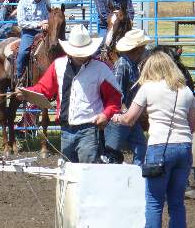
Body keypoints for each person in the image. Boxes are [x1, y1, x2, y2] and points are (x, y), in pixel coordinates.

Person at [112, 50, 195, 228]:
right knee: (177, 203)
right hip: (184, 148)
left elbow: (130, 119)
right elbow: (193, 126)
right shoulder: (185, 90)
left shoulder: (147, 89)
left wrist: (116, 117)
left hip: (159, 147)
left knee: (154, 203)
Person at [19, 24, 121, 163]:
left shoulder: (101, 69)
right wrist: (25, 93)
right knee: (69, 173)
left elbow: (115, 98)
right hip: (66, 130)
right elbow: (44, 90)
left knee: (87, 172)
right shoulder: (58, 65)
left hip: (89, 129)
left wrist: (105, 114)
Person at [104, 29, 153, 165]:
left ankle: (137, 175)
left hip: (128, 117)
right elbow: (116, 93)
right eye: (143, 48)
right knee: (113, 154)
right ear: (138, 49)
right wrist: (127, 113)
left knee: (141, 147)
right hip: (119, 118)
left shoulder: (131, 65)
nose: (145, 51)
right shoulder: (122, 65)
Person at [15, 0, 51, 79]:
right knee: (23, 53)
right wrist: (39, 24)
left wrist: (47, 23)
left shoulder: (47, 2)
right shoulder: (23, 2)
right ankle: (19, 77)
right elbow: (21, 22)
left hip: (45, 32)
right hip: (29, 32)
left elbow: (50, 17)